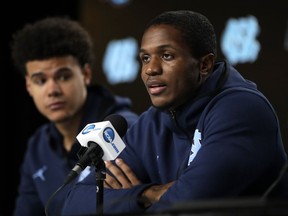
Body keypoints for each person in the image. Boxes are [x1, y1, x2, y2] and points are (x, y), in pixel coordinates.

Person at [61, 10, 288, 215]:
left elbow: (186, 206)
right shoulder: (151, 123)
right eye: (145, 58)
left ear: (205, 65)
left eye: (167, 55)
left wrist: (125, 203)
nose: (151, 69)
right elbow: (72, 205)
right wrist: (146, 195)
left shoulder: (242, 110)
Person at [10, 16, 138, 216]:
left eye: (63, 76)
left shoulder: (123, 129)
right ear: (28, 86)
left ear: (86, 74)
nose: (52, 90)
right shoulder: (37, 146)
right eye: (40, 80)